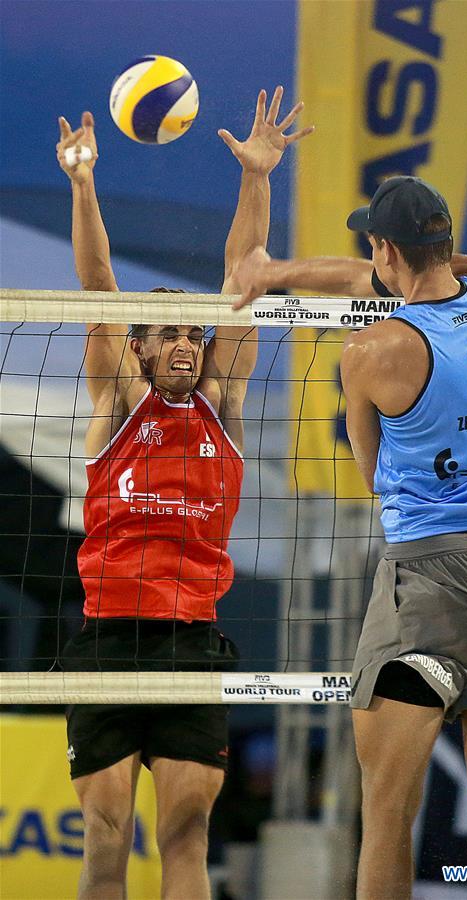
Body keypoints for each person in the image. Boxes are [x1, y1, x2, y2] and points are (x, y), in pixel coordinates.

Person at [233, 176, 467, 899]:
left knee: (384, 809)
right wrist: (274, 272)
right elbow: (383, 279)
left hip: (429, 581)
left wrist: (265, 271)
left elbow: (372, 471)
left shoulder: (371, 351)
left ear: (386, 248)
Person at [56, 88, 312, 900]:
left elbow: (243, 276)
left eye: (193, 334)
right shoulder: (119, 402)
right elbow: (98, 283)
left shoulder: (221, 406)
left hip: (192, 644)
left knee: (187, 834)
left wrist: (257, 177)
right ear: (137, 347)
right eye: (167, 333)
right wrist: (84, 184)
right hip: (107, 642)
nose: (185, 344)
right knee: (105, 841)